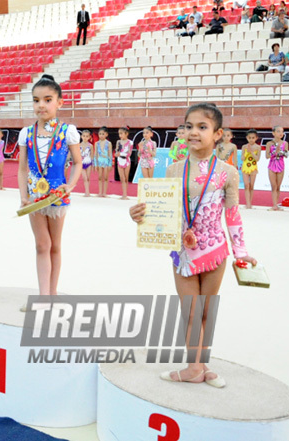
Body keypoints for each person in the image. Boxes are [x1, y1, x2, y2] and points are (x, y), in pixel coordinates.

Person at [129, 103, 257, 387]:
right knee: (190, 311)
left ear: (219, 134)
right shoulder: (174, 169)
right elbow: (160, 208)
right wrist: (139, 215)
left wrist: (241, 252)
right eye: (189, 126)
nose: (193, 132)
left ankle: (201, 364)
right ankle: (193, 367)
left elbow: (232, 215)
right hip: (183, 252)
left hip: (215, 251)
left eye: (202, 127)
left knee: (206, 312)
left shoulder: (228, 172)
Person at [17, 74, 82, 310]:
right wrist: (23, 196)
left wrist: (70, 185)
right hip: (34, 198)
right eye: (36, 100)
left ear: (60, 102)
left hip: (58, 196)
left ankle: (52, 293)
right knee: (41, 244)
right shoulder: (27, 133)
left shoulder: (68, 131)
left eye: (47, 100)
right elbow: (23, 168)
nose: (41, 105)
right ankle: (43, 296)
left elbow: (77, 163)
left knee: (55, 244)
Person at [266, 125, 289, 210]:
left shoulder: (285, 143)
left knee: (278, 186)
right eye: (278, 131)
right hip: (272, 165)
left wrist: (281, 152)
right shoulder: (269, 143)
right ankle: (274, 205)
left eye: (282, 131)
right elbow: (267, 156)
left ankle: (276, 205)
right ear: (273, 133)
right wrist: (275, 152)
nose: (281, 133)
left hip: (281, 165)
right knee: (273, 186)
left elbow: (286, 155)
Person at [241, 129, 261, 209]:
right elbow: (242, 158)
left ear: (256, 138)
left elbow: (257, 159)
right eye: (250, 138)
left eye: (253, 138)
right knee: (246, 185)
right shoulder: (244, 146)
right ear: (247, 138)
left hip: (253, 167)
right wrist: (247, 152)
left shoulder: (258, 147)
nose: (251, 139)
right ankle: (247, 204)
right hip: (245, 167)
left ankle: (250, 203)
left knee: (251, 186)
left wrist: (251, 152)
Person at [95, 127, 113, 197]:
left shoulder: (108, 143)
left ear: (106, 134)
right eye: (100, 134)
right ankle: (100, 192)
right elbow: (95, 154)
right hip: (99, 161)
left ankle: (104, 193)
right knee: (99, 177)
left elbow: (110, 154)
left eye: (103, 134)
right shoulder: (97, 143)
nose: (101, 135)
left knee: (105, 177)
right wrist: (95, 164)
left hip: (106, 162)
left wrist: (110, 164)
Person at [116, 126, 133, 199]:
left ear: (126, 134)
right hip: (120, 161)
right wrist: (116, 154)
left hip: (127, 161)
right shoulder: (118, 142)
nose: (120, 135)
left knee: (126, 178)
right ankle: (123, 194)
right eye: (119, 134)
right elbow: (117, 150)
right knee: (122, 178)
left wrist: (121, 154)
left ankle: (125, 194)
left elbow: (129, 153)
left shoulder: (130, 142)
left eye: (121, 133)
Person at [78, 130, 94, 197]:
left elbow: (92, 155)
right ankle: (86, 192)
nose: (85, 137)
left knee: (87, 178)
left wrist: (93, 164)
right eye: (84, 136)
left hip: (88, 162)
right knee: (84, 178)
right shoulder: (78, 145)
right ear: (81, 136)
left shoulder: (90, 146)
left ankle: (87, 192)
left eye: (87, 136)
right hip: (81, 163)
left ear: (89, 137)